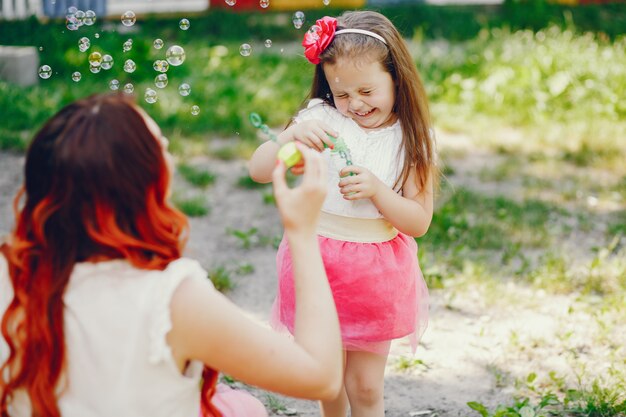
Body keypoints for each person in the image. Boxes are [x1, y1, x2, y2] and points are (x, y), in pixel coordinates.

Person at [0, 93, 343, 417]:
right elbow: (322, 377)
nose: (172, 159)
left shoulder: (8, 269)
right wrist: (301, 232)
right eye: (162, 148)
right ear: (143, 182)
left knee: (235, 404)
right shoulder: (174, 298)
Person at [248, 10, 436, 417]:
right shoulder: (321, 120)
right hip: (317, 266)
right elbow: (259, 170)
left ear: (396, 78)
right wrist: (289, 138)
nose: (355, 104)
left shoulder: (411, 138)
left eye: (367, 90)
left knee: (365, 387)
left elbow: (418, 222)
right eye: (342, 93)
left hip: (376, 277)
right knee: (328, 380)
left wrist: (378, 191)